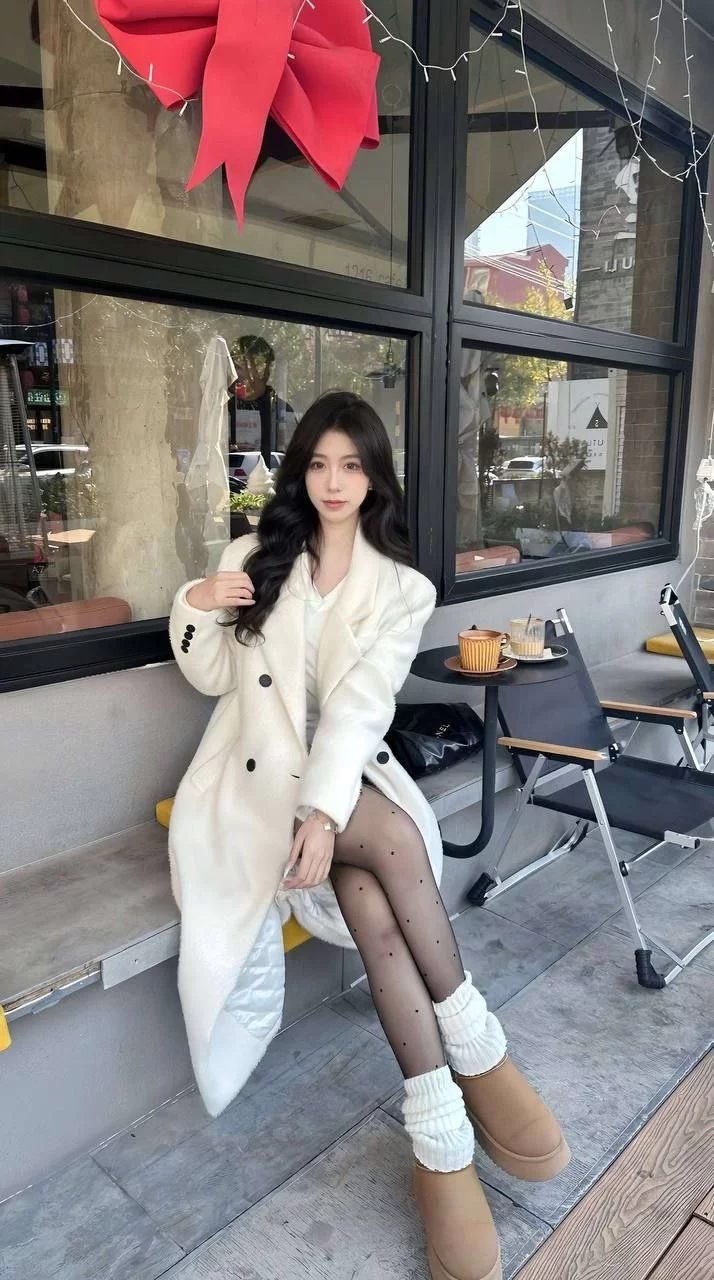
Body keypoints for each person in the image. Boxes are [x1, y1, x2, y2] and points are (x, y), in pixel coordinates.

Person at [168, 391, 569, 1280]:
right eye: (318, 463)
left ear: (375, 475)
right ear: (299, 472)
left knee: (374, 897)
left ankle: (441, 1133)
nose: (333, 482)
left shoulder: (402, 588)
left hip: (338, 778)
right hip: (246, 782)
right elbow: (208, 674)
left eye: (351, 465)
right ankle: (479, 1051)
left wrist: (321, 811)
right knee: (389, 849)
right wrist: (194, 602)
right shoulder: (254, 556)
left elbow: (360, 706)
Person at [228, 334, 295, 458]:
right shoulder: (226, 408)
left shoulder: (282, 411)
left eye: (247, 367)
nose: (237, 375)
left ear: (264, 370)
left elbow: (294, 455)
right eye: (236, 367)